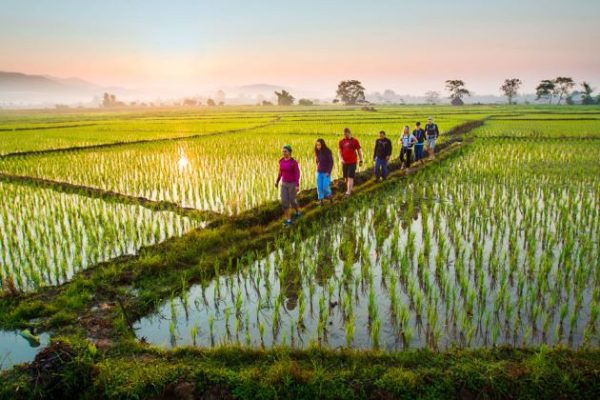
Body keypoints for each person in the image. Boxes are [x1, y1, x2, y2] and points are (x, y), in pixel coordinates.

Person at [275, 144, 301, 226]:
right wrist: (277, 181)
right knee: (284, 202)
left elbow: (297, 174)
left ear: (289, 152)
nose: (283, 153)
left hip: (292, 184)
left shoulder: (294, 162)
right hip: (284, 184)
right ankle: (289, 220)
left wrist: (297, 185)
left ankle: (298, 211)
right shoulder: (281, 161)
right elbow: (280, 172)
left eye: (285, 151)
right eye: (283, 151)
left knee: (292, 201)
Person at [338, 128, 363, 196]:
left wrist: (361, 160)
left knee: (350, 177)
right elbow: (339, 152)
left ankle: (348, 192)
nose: (345, 135)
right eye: (344, 134)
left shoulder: (355, 141)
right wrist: (341, 159)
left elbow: (359, 151)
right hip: (345, 163)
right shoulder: (341, 141)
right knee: (346, 178)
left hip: (352, 162)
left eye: (346, 134)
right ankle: (349, 189)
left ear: (349, 133)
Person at [314, 138, 334, 205]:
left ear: (322, 145)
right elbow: (317, 161)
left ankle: (330, 196)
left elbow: (331, 162)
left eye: (319, 145)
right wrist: (318, 167)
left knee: (325, 186)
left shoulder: (327, 152)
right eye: (317, 145)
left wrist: (329, 171)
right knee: (319, 186)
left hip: (326, 172)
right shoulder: (317, 152)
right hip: (319, 172)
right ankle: (321, 200)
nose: (318, 146)